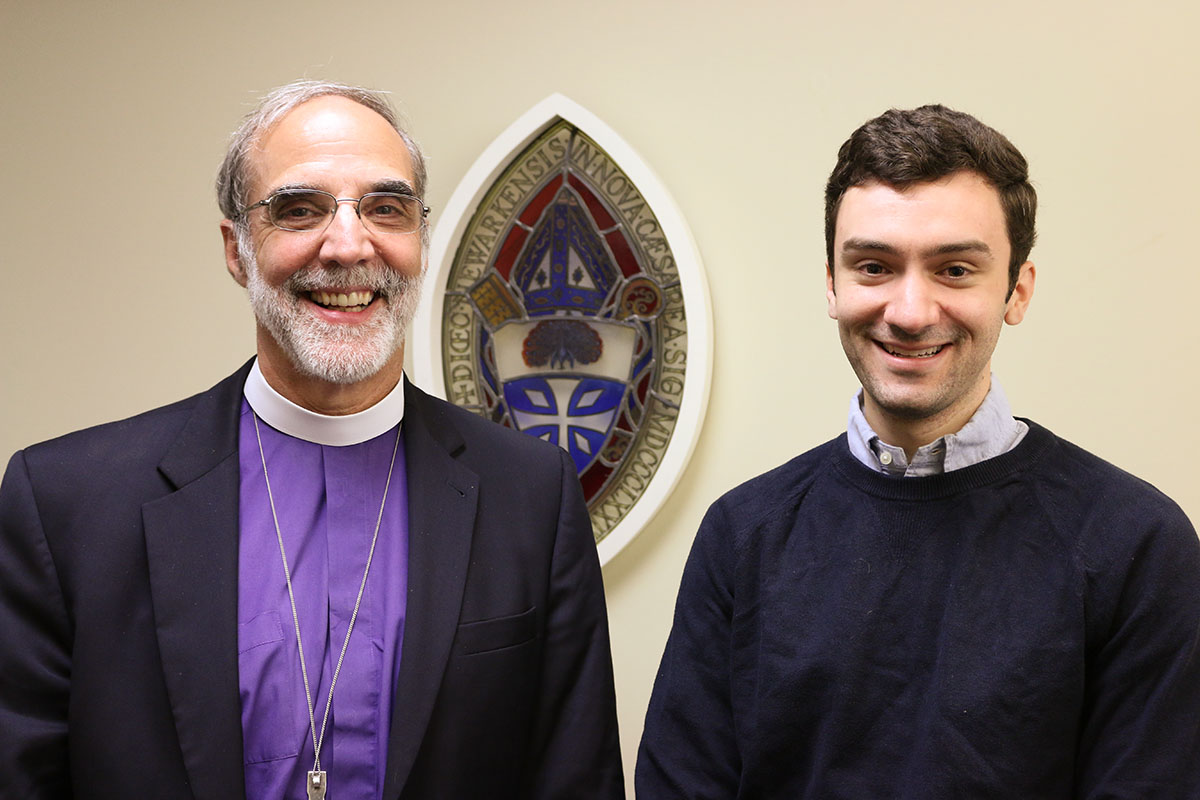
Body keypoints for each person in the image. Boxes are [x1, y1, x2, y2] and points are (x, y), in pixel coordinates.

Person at [0, 80, 623, 800]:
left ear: (419, 238)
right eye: (301, 210)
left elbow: (577, 782)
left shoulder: (532, 496)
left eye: (385, 209)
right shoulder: (67, 503)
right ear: (237, 250)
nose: (350, 245)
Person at [637, 105, 1200, 798]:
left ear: (1016, 292)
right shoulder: (742, 536)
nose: (909, 311)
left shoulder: (1136, 544)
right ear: (832, 285)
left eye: (955, 270)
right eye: (874, 265)